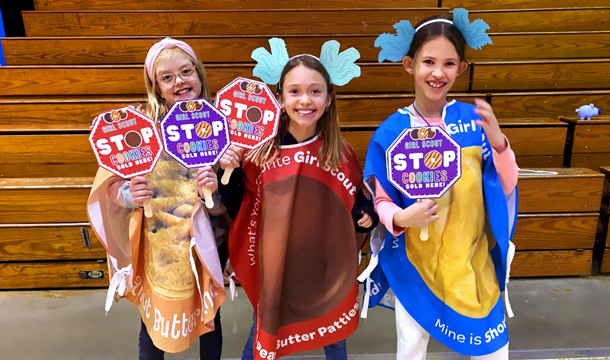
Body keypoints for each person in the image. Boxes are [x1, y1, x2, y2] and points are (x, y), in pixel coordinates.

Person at [360, 9, 519, 360]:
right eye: (428, 61)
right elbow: (379, 195)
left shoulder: (474, 121)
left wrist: (499, 143)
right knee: (412, 347)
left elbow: (507, 184)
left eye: (449, 63)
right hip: (416, 265)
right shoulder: (391, 131)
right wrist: (401, 218)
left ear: (461, 68)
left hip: (473, 261)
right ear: (409, 64)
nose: (437, 72)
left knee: (494, 350)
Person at [218, 38, 379, 360]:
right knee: (264, 332)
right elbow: (237, 205)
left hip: (325, 266)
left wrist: (365, 211)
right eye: (294, 91)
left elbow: (354, 196)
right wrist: (229, 172)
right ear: (279, 99)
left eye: (315, 91)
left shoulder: (340, 151)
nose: (305, 100)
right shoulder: (259, 152)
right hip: (275, 265)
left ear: (329, 99)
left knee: (333, 334)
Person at [87, 37, 227, 360]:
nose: (179, 81)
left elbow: (227, 202)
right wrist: (129, 195)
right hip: (158, 247)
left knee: (210, 316)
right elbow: (110, 186)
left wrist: (217, 191)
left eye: (186, 72)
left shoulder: (220, 123)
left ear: (200, 75)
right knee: (151, 323)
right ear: (156, 86)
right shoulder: (140, 126)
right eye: (167, 77)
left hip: (202, 246)